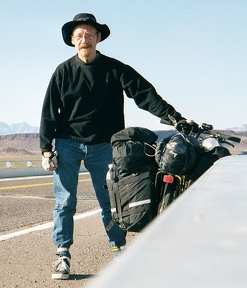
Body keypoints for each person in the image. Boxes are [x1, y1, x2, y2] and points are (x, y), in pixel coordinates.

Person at [39, 13, 195, 280]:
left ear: (98, 38)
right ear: (73, 41)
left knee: (111, 203)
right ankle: (62, 256)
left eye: (89, 34)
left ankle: (119, 250)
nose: (84, 39)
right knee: (65, 203)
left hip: (104, 146)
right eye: (79, 35)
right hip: (67, 144)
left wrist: (175, 118)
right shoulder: (63, 71)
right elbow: (49, 111)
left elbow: (145, 94)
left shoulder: (115, 69)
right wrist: (45, 148)